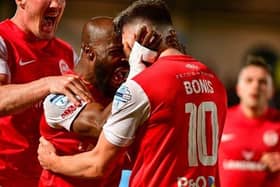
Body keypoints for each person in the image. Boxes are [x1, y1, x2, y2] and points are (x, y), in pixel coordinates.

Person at [37, 0, 227, 186]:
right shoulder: (61, 94)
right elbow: (101, 124)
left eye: (125, 51)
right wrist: (136, 77)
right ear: (90, 52)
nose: (125, 60)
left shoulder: (139, 89)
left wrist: (53, 162)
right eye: (115, 53)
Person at [0, 0, 92, 186]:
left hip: (45, 178)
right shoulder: (3, 39)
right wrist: (47, 84)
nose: (56, 5)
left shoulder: (66, 52)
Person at [218, 57, 280, 187]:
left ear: (271, 92)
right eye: (249, 80)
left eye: (262, 82)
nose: (255, 85)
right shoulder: (220, 119)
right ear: (238, 89)